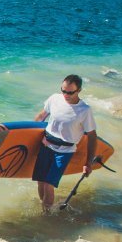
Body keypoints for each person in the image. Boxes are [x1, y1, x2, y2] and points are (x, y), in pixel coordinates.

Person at [32, 74, 97, 213]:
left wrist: (88, 163)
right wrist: (30, 136)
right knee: (40, 181)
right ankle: (44, 209)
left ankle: (46, 216)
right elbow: (41, 116)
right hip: (46, 145)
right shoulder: (54, 99)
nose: (66, 95)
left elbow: (92, 137)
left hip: (64, 151)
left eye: (70, 92)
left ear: (79, 90)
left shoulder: (85, 110)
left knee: (48, 184)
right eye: (63, 91)